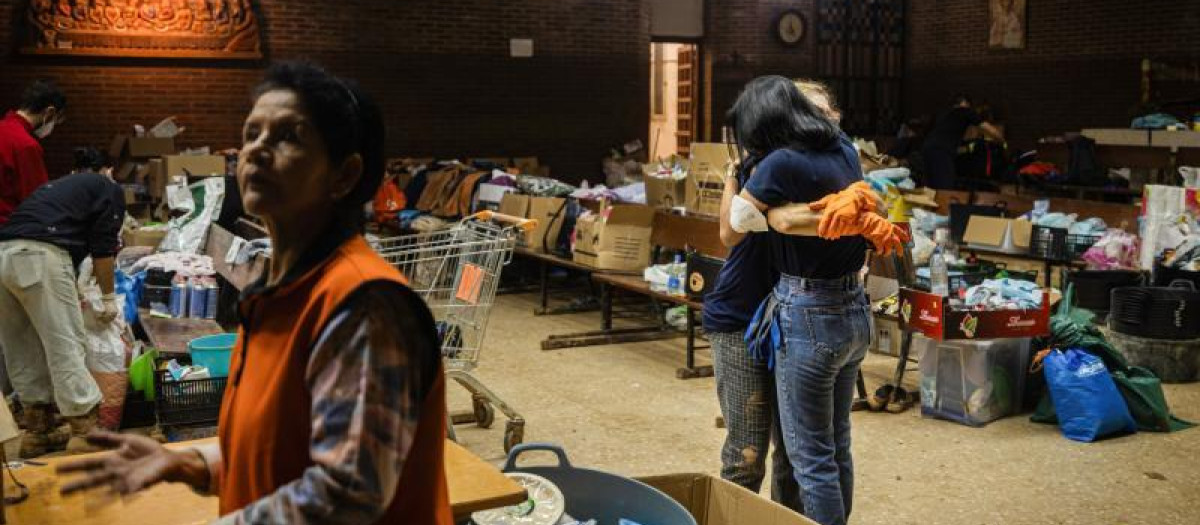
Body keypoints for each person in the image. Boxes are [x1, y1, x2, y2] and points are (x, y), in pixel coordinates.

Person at [58, 61, 453, 525]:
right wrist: (193, 462)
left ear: (344, 176)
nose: (257, 150)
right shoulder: (277, 294)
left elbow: (347, 495)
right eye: (251, 134)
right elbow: (281, 447)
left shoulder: (365, 306)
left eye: (288, 137)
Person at [728, 76, 903, 525]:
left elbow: (739, 218)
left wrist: (783, 216)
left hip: (807, 314)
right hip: (853, 310)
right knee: (837, 446)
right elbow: (858, 210)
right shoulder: (845, 150)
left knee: (811, 459)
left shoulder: (780, 162)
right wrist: (804, 216)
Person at [707, 78, 851, 514]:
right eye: (816, 108)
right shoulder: (766, 166)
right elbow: (728, 233)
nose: (829, 116)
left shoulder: (832, 158)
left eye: (830, 108)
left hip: (796, 319)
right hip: (740, 316)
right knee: (746, 453)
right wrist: (734, 176)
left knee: (794, 454)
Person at [0, 149, 120, 458]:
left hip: (3, 257)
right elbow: (104, 249)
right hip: (39, 257)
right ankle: (85, 431)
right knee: (64, 342)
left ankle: (39, 430)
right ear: (107, 170)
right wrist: (108, 296)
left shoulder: (57, 189)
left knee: (21, 346)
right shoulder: (108, 187)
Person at [0, 79, 66, 225]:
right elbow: (37, 202)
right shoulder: (25, 145)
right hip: (9, 232)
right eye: (56, 120)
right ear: (49, 112)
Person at [919, 94, 1002, 189]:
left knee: (930, 187)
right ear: (964, 103)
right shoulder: (965, 111)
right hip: (941, 151)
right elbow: (987, 128)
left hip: (927, 148)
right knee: (945, 187)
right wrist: (1001, 140)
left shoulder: (944, 114)